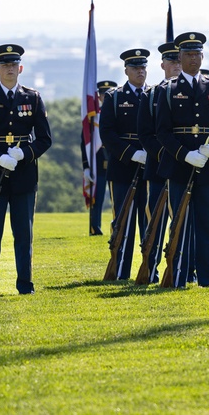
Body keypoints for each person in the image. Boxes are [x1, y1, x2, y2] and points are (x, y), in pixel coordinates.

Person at [0, 44, 53, 295]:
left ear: (21, 68)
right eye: (4, 65)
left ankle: (25, 285)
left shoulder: (32, 97)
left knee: (23, 234)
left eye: (13, 64)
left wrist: (24, 153)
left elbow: (44, 139)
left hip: (24, 174)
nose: (9, 69)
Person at [154, 32, 209, 288]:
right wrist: (184, 154)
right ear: (179, 57)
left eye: (197, 54)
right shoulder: (168, 90)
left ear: (202, 56)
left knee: (204, 225)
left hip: (208, 167)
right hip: (179, 164)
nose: (192, 59)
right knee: (179, 221)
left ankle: (205, 277)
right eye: (187, 54)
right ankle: (179, 273)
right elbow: (162, 132)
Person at [99, 48, 151, 280]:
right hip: (123, 166)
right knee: (124, 220)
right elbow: (107, 134)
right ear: (126, 70)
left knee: (149, 219)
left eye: (143, 67)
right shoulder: (115, 97)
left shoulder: (155, 94)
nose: (140, 71)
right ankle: (121, 270)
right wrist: (132, 154)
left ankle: (149, 268)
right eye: (135, 68)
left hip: (151, 165)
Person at [137, 42, 184, 282]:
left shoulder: (189, 91)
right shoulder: (152, 94)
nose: (176, 65)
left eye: (179, 61)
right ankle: (150, 268)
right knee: (153, 222)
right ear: (162, 64)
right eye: (172, 61)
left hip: (182, 168)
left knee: (182, 222)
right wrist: (165, 155)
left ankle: (182, 270)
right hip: (157, 167)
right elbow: (145, 133)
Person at [83, 80, 117, 236]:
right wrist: (86, 165)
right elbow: (85, 140)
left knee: (116, 197)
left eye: (108, 93)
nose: (105, 96)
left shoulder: (116, 112)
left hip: (114, 157)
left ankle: (117, 225)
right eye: (102, 93)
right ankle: (94, 226)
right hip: (97, 160)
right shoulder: (94, 115)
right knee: (97, 197)